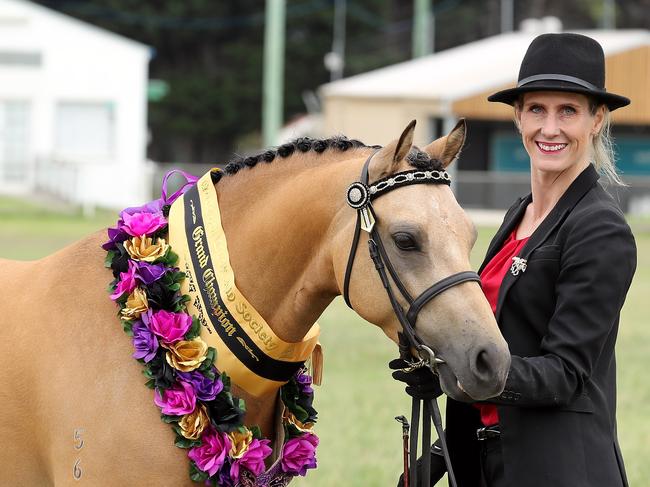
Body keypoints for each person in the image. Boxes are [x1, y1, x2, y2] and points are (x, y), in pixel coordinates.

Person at [393, 32, 637, 487]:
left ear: (597, 119)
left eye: (569, 111)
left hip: (558, 468)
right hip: (485, 463)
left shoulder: (601, 229)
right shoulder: (517, 216)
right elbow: (490, 336)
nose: (550, 128)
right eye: (536, 110)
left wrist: (462, 373)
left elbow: (565, 373)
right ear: (518, 118)